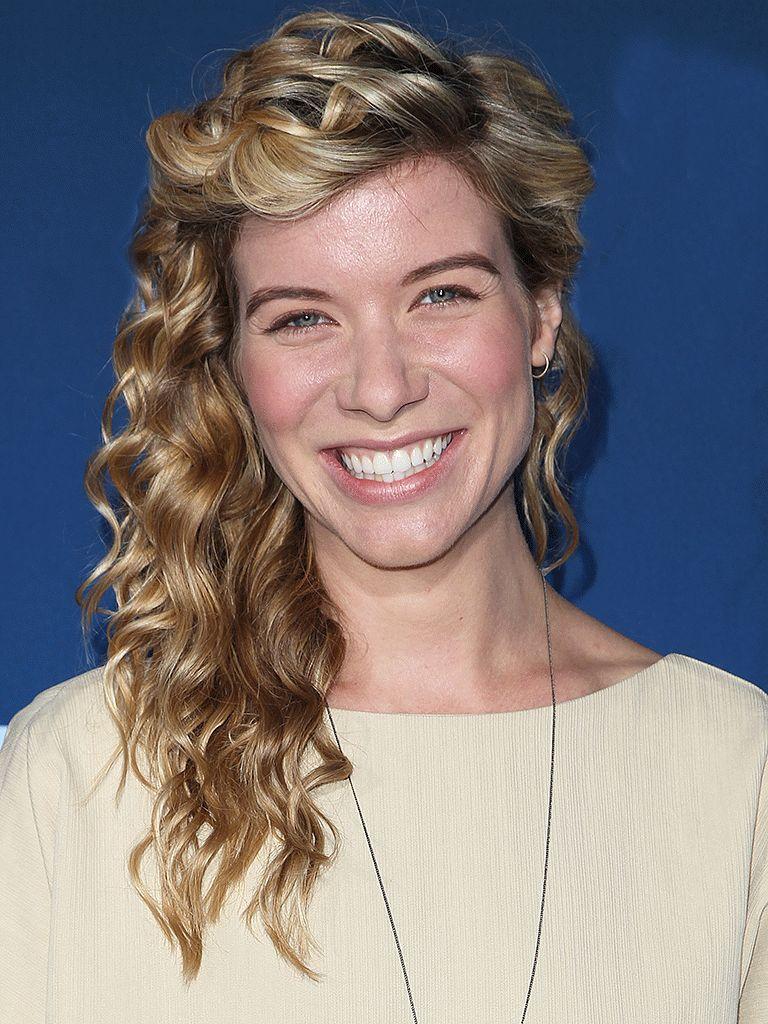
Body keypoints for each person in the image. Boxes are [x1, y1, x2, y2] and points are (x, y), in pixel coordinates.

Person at [0, 8, 765, 1022]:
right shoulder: (74, 777)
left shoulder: (736, 775)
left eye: (439, 296)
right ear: (234, 364)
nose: (381, 386)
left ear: (540, 314)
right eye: (302, 317)